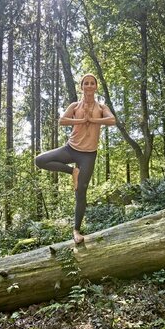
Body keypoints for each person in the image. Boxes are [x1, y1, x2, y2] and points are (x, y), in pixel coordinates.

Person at [35, 74, 116, 244]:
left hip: (88, 155)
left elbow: (112, 120)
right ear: (82, 87)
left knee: (81, 192)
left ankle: (76, 230)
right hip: (70, 149)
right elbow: (62, 120)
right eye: (85, 83)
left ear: (95, 86)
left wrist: (92, 119)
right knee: (40, 160)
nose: (88, 85)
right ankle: (73, 171)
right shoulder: (74, 105)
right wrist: (81, 119)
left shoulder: (101, 106)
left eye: (92, 83)